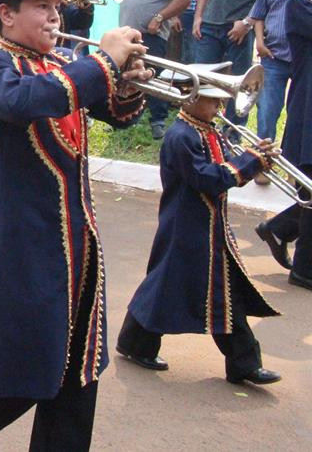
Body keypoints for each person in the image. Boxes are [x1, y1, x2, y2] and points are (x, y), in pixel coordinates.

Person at [0, 0, 150, 452]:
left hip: (81, 242)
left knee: (78, 368)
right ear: (6, 13)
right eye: (41, 6)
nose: (55, 15)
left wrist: (130, 80)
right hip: (28, 242)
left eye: (57, 5)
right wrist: (103, 63)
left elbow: (114, 114)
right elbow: (23, 101)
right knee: (26, 358)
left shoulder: (62, 67)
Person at [116, 66, 281, 387]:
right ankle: (139, 343)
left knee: (213, 289)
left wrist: (256, 157)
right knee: (173, 287)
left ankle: (241, 363)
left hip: (209, 225)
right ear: (189, 99)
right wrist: (248, 163)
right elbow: (207, 178)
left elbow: (227, 166)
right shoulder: (181, 137)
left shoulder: (208, 130)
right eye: (212, 101)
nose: (220, 108)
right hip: (187, 227)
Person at [100, 0, 190, 139]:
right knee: (124, 73)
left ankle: (157, 120)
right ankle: (121, 114)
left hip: (152, 34)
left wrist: (160, 17)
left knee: (152, 75)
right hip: (127, 33)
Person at [256, 0, 312, 290]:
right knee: (310, 190)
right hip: (309, 107)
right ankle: (305, 269)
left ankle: (278, 229)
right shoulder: (299, 6)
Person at [249, 0, 312, 146]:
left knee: (302, 112)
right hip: (274, 55)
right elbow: (258, 14)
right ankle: (262, 160)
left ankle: (294, 158)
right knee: (267, 111)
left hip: (304, 62)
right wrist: (259, 41)